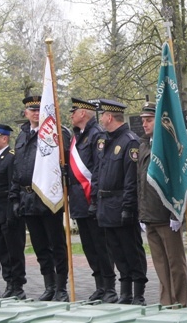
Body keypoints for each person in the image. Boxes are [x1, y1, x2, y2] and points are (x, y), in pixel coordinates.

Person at [11, 95, 70, 301]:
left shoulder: (56, 134)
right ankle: (49, 286)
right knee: (40, 246)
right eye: (32, 110)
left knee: (57, 244)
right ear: (26, 113)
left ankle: (61, 287)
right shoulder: (22, 136)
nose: (36, 113)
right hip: (27, 198)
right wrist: (15, 198)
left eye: (39, 110)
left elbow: (64, 165)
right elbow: (16, 169)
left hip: (48, 197)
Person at [90, 99, 148, 305]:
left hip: (121, 204)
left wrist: (128, 207)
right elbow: (98, 172)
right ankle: (125, 292)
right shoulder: (104, 140)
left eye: (104, 114)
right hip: (106, 205)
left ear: (110, 117)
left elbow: (131, 180)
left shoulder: (129, 141)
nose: (102, 118)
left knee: (131, 249)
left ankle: (138, 293)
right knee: (116, 251)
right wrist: (94, 200)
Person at [137, 101, 187, 306]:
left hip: (166, 214)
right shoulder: (143, 145)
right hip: (149, 214)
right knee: (160, 263)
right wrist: (141, 214)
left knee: (175, 263)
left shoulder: (169, 146)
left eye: (149, 120)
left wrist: (176, 213)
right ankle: (166, 301)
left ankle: (179, 301)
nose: (144, 124)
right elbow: (140, 182)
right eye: (143, 121)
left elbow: (177, 180)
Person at [68, 98, 117, 302]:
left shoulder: (96, 135)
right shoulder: (77, 137)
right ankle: (99, 285)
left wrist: (95, 199)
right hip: (79, 201)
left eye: (74, 112)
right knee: (88, 246)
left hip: (92, 200)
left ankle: (110, 287)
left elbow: (98, 169)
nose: (71, 115)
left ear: (83, 114)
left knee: (101, 246)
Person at [0, 123, 27, 299]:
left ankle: (17, 285)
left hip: (8, 211)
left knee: (13, 250)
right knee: (1, 250)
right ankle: (8, 281)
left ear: (4, 138)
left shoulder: (11, 158)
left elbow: (12, 186)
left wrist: (11, 212)